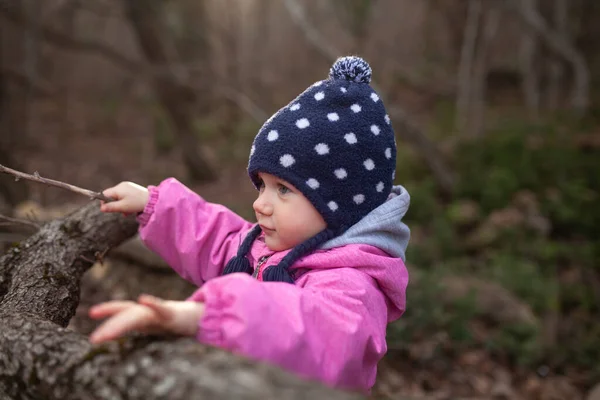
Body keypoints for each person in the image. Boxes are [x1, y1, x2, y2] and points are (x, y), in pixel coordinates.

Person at [89, 56, 410, 393]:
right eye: (262, 185)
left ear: (340, 204)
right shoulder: (267, 247)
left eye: (283, 189)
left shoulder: (352, 285)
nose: (260, 204)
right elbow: (218, 240)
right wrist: (154, 204)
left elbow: (315, 333)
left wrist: (212, 316)